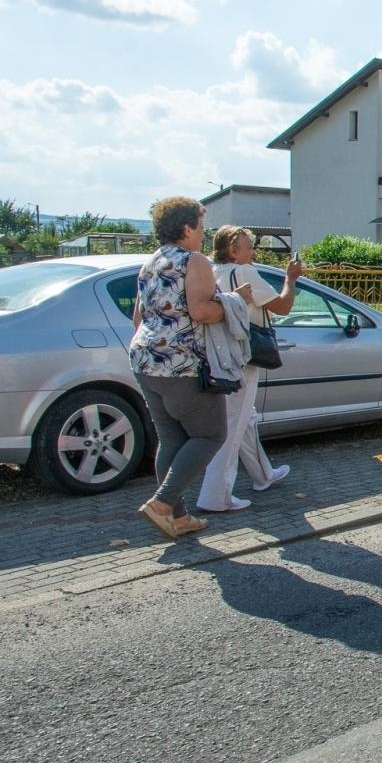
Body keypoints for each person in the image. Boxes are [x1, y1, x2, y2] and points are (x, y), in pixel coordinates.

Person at [129, 197, 250, 540]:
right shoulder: (193, 261)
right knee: (210, 435)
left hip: (145, 358)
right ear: (186, 228)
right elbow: (201, 312)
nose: (203, 232)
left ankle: (178, 518)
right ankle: (163, 504)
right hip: (182, 362)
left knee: (171, 439)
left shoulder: (151, 262)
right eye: (200, 225)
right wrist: (232, 302)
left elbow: (139, 317)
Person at [197, 227, 304, 512]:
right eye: (248, 247)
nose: (253, 252)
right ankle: (215, 496)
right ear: (233, 250)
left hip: (221, 354)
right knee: (233, 424)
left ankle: (263, 475)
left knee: (243, 418)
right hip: (243, 356)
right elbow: (282, 306)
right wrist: (290, 279)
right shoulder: (244, 273)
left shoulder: (213, 272)